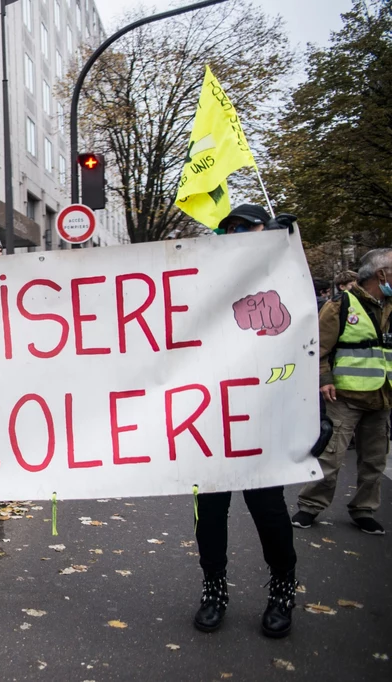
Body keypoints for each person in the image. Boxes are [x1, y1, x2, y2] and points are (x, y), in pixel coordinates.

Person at [191, 204, 298, 639]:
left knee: (269, 511)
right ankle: (213, 589)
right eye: (230, 231)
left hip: (260, 416)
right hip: (210, 417)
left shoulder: (282, 277)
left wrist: (286, 245)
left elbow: (302, 341)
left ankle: (282, 591)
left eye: (248, 231)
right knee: (209, 515)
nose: (238, 237)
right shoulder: (206, 277)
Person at [293, 248, 391, 536]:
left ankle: (364, 510)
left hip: (382, 397)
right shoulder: (340, 306)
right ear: (380, 274)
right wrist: (324, 379)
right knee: (331, 456)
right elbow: (317, 347)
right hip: (345, 397)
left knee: (374, 458)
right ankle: (310, 505)